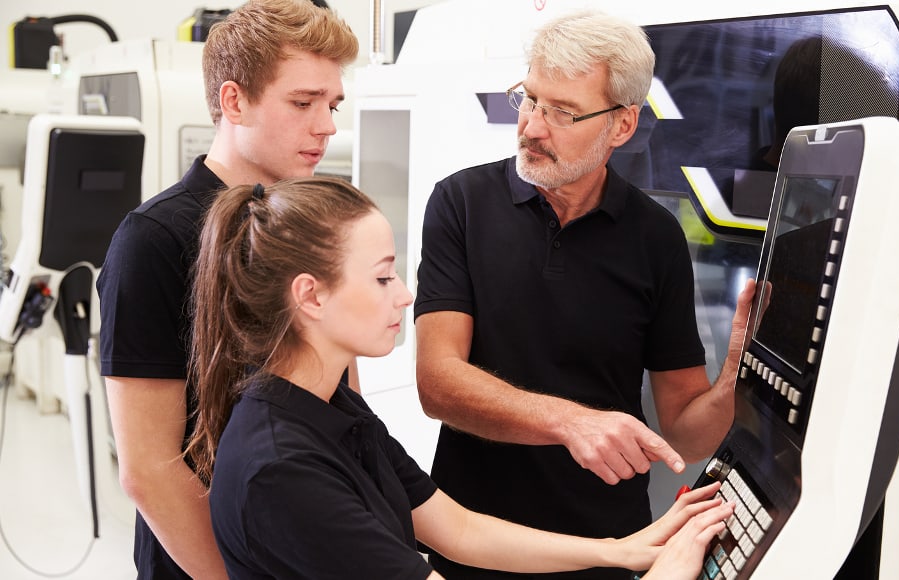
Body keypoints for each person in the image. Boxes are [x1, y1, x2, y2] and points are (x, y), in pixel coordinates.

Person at [185, 176, 736, 579]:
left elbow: (460, 530)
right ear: (311, 295)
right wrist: (673, 572)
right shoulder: (281, 470)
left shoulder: (333, 409)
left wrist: (620, 549)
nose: (403, 294)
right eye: (382, 277)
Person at [414, 10, 756, 579]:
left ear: (622, 126)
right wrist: (572, 422)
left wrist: (733, 381)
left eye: (563, 112)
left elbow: (687, 431)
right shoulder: (461, 203)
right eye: (529, 99)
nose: (531, 127)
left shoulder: (655, 237)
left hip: (608, 547)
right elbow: (438, 383)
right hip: (471, 539)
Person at [96, 1, 358, 578]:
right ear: (235, 101)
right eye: (303, 102)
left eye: (332, 104)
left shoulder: (314, 227)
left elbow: (344, 404)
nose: (328, 125)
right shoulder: (154, 241)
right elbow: (150, 467)